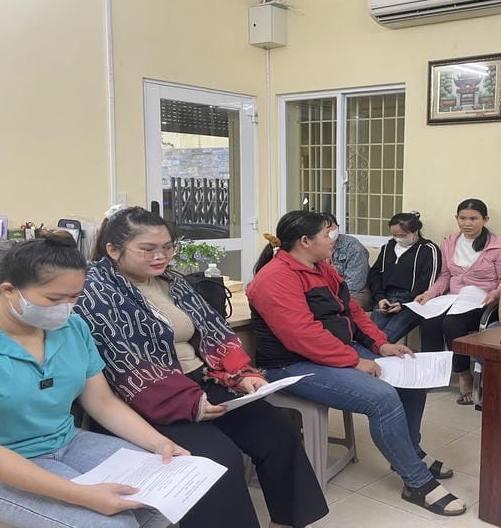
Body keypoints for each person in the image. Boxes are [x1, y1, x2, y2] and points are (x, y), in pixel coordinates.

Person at [74, 206, 328, 528]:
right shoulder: (94, 291)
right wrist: (189, 403)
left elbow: (214, 331)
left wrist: (242, 375)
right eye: (148, 249)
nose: (161, 256)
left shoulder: (172, 282)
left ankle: (288, 521)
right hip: (144, 396)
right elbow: (123, 365)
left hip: (201, 382)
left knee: (277, 431)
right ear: (113, 250)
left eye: (167, 247)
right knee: (217, 460)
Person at [248, 211, 466, 517]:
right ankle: (416, 481)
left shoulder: (321, 267)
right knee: (382, 397)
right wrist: (355, 361)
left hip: (335, 351)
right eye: (329, 234)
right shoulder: (274, 278)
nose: (334, 240)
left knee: (412, 378)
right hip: (292, 364)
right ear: (305, 241)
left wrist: (381, 344)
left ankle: (408, 453)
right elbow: (302, 336)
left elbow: (353, 312)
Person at [0, 232, 187, 528]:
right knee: (112, 524)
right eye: (55, 298)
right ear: (8, 290)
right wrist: (83, 495)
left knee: (162, 498)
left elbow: (102, 402)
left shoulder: (72, 328)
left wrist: (159, 444)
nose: (66, 308)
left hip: (66, 441)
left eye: (74, 297)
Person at [414, 199, 501, 406]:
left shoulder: (499, 246)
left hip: (484, 301)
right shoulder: (450, 242)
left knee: (452, 324)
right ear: (456, 218)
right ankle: (433, 373)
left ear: (485, 220)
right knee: (429, 320)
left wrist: (494, 295)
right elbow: (444, 276)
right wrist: (429, 294)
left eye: (473, 218)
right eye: (463, 218)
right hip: (454, 297)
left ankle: (464, 375)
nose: (467, 223)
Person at [368, 212, 441, 343]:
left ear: (415, 232)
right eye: (394, 235)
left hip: (413, 301)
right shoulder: (388, 247)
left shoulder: (429, 250)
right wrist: (380, 297)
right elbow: (375, 273)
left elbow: (427, 281)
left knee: (385, 339)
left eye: (402, 235)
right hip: (386, 298)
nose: (398, 239)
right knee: (369, 336)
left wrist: (405, 303)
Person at [323, 213, 372, 309]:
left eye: (330, 227)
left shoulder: (353, 247)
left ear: (338, 227)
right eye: (323, 230)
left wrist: (333, 298)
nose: (328, 232)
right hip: (326, 290)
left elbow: (354, 284)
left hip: (356, 293)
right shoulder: (315, 246)